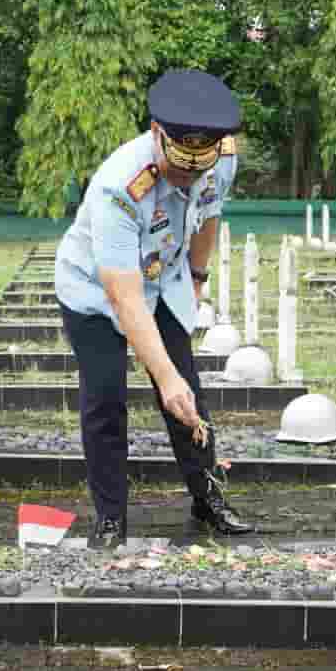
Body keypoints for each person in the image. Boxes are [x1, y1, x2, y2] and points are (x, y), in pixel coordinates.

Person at [55, 69, 253, 548]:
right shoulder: (118, 187)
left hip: (164, 281)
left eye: (196, 168)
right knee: (105, 399)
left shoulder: (220, 159)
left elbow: (209, 214)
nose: (188, 176)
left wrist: (199, 278)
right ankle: (110, 517)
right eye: (178, 166)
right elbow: (123, 299)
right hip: (95, 293)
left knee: (189, 392)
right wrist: (163, 378)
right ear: (156, 133)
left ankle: (209, 501)